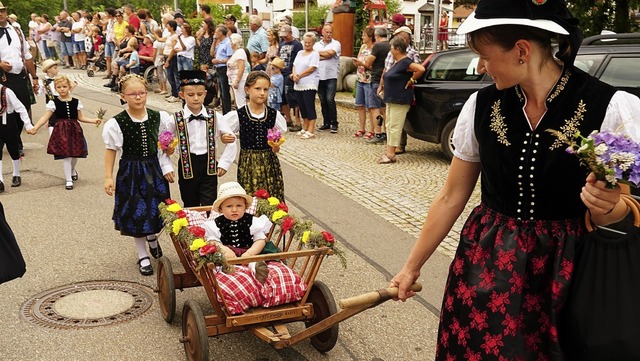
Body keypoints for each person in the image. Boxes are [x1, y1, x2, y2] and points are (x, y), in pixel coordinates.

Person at [390, 0, 640, 359]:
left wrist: (610, 208)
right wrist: (410, 267)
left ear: (521, 51)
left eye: (486, 55)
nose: (481, 66)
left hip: (569, 269)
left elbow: (624, 213)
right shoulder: (481, 105)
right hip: (489, 263)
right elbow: (451, 197)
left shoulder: (610, 106)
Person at [103, 74, 175, 276]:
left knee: (154, 208)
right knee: (137, 212)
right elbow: (111, 150)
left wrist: (168, 157)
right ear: (123, 96)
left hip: (153, 169)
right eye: (132, 94)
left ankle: (152, 237)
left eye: (142, 93)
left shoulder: (158, 117)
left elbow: (164, 145)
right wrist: (108, 177)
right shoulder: (117, 123)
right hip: (131, 171)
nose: (138, 97)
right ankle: (142, 254)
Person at [161, 70, 238, 207]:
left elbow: (232, 140)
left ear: (205, 95)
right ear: (182, 95)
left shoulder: (215, 116)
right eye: (191, 95)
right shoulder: (175, 119)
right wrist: (166, 165)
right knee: (190, 204)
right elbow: (163, 143)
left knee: (210, 204)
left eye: (199, 94)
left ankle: (208, 227)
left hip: (209, 165)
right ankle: (193, 228)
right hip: (186, 166)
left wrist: (224, 163)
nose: (196, 98)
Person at [221, 71, 287, 201]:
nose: (262, 93)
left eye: (265, 89)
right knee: (250, 196)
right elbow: (222, 131)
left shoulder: (273, 115)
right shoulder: (239, 115)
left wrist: (276, 146)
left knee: (271, 195)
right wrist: (224, 138)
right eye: (257, 89)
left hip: (269, 162)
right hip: (248, 163)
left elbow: (277, 139)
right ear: (247, 89)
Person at [28, 76, 101, 190]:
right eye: (59, 87)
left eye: (64, 86)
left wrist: (93, 120)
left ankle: (72, 169)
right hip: (61, 130)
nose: (62, 89)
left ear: (69, 87)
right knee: (66, 155)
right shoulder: (53, 102)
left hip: (74, 129)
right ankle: (68, 180)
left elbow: (80, 117)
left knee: (75, 154)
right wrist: (35, 127)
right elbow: (45, 117)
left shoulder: (76, 101)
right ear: (55, 89)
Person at [202, 181, 274, 283]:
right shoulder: (215, 224)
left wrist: (250, 253)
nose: (234, 209)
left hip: (248, 251)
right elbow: (213, 241)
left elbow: (260, 239)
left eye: (239, 206)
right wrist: (224, 250)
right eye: (229, 206)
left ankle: (257, 269)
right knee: (217, 256)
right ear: (221, 209)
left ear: (245, 206)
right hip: (228, 253)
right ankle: (226, 268)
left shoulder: (253, 221)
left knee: (254, 260)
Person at [0, 3, 40, 159]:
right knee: (4, 110)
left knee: (23, 106)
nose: (0, 14)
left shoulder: (16, 30)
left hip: (19, 76)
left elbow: (27, 55)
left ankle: (14, 138)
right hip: (2, 78)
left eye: (2, 11)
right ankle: (13, 142)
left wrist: (35, 77)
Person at [377, 37, 424, 164]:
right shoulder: (397, 63)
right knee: (389, 125)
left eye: (392, 48)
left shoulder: (405, 62)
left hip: (400, 99)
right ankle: (389, 151)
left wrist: (412, 80)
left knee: (395, 127)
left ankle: (391, 154)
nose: (390, 50)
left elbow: (420, 69)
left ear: (397, 49)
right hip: (392, 99)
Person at [0, 83, 33, 192]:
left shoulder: (7, 91)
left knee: (13, 149)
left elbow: (21, 108)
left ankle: (16, 174)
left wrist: (28, 124)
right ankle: (0, 180)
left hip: (9, 123)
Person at [314, 24, 341, 134]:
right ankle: (326, 122)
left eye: (330, 32)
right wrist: (322, 55)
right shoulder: (317, 44)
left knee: (330, 99)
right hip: (319, 76)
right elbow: (313, 56)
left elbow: (331, 53)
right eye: (327, 32)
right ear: (323, 33)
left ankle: (334, 122)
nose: (329, 34)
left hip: (331, 75)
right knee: (323, 100)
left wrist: (319, 55)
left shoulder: (336, 43)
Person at [292, 32, 320, 139]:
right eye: (306, 42)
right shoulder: (299, 53)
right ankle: (305, 126)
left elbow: (312, 68)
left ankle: (311, 129)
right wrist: (294, 75)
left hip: (309, 83)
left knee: (309, 105)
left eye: (309, 43)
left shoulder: (315, 54)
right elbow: (294, 65)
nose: (307, 44)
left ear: (313, 43)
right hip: (298, 83)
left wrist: (299, 75)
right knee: (301, 106)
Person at [364, 27, 390, 144]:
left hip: (376, 79)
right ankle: (386, 133)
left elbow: (368, 62)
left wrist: (361, 62)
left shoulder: (378, 46)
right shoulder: (390, 45)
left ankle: (378, 133)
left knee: (374, 108)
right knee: (385, 108)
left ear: (377, 36)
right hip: (387, 80)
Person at [277, 24, 302, 131]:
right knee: (282, 97)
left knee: (293, 98)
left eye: (286, 35)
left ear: (290, 33)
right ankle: (288, 119)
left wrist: (294, 73)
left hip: (290, 73)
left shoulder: (297, 45)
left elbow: (299, 60)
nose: (284, 37)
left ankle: (298, 121)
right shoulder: (282, 43)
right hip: (281, 73)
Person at [352, 27, 375, 140]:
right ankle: (362, 128)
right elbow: (359, 59)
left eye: (364, 35)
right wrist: (357, 63)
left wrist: (363, 64)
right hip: (360, 79)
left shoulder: (374, 49)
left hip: (369, 80)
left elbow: (373, 66)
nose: (362, 37)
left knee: (370, 106)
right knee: (360, 105)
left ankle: (372, 130)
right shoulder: (363, 47)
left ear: (370, 37)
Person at [211, 25, 234, 114]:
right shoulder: (220, 43)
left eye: (216, 32)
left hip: (224, 68)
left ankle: (227, 112)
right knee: (221, 91)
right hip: (218, 68)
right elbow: (212, 52)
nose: (215, 34)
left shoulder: (227, 43)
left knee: (225, 91)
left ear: (221, 33)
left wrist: (219, 61)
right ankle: (224, 111)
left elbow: (230, 58)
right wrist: (214, 41)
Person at [228, 33, 249, 109]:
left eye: (231, 41)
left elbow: (241, 68)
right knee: (238, 100)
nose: (230, 43)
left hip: (240, 81)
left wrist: (237, 81)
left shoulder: (240, 52)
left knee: (241, 101)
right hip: (234, 80)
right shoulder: (236, 52)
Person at [162, 20, 181, 103]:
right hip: (166, 55)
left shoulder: (174, 37)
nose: (167, 27)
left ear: (172, 27)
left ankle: (176, 94)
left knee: (171, 76)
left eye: (168, 25)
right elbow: (160, 39)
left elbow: (173, 49)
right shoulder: (169, 35)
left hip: (171, 57)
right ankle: (173, 93)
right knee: (169, 76)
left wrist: (168, 60)